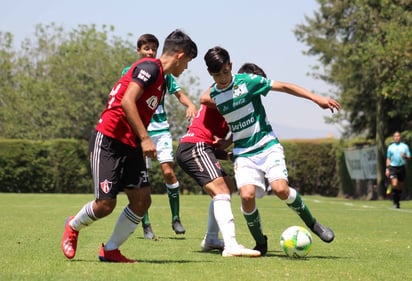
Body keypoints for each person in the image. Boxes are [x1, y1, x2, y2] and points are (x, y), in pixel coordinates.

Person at [61, 29, 197, 263]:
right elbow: (126, 101)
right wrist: (145, 139)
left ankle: (111, 250)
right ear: (179, 56)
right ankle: (73, 226)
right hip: (109, 139)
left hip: (131, 142)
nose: (185, 68)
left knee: (142, 200)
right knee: (105, 204)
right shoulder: (150, 67)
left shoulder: (163, 80)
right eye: (187, 62)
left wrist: (140, 138)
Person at [201, 47, 340, 255]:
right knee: (246, 196)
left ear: (230, 65)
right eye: (216, 74)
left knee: (280, 189)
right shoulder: (213, 94)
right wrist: (227, 142)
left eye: (224, 72)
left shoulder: (248, 82)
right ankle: (260, 242)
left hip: (267, 146)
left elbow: (284, 86)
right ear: (210, 74)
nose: (222, 78)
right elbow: (206, 100)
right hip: (244, 153)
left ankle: (313, 224)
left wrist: (315, 98)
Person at [122, 34, 197, 239]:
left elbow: (180, 95)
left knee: (168, 172)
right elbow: (125, 100)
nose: (150, 52)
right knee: (142, 180)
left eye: (153, 48)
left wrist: (190, 104)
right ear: (138, 51)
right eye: (146, 48)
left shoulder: (165, 74)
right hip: (141, 131)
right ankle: (146, 224)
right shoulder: (131, 72)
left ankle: (176, 218)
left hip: (161, 129)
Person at [176, 101, 260, 257]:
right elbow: (205, 97)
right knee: (221, 191)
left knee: (227, 186)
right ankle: (231, 246)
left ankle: (211, 239)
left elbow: (214, 146)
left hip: (200, 147)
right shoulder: (221, 94)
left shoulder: (233, 109)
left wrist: (227, 153)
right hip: (195, 146)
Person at [385, 131, 410, 208]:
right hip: (393, 167)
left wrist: (405, 156)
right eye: (395, 136)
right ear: (393, 137)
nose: (397, 137)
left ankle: (397, 202)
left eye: (398, 136)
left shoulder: (405, 146)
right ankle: (395, 202)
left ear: (400, 137)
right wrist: (387, 169)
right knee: (395, 184)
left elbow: (409, 157)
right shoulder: (390, 147)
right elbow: (388, 158)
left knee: (400, 186)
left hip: (402, 167)